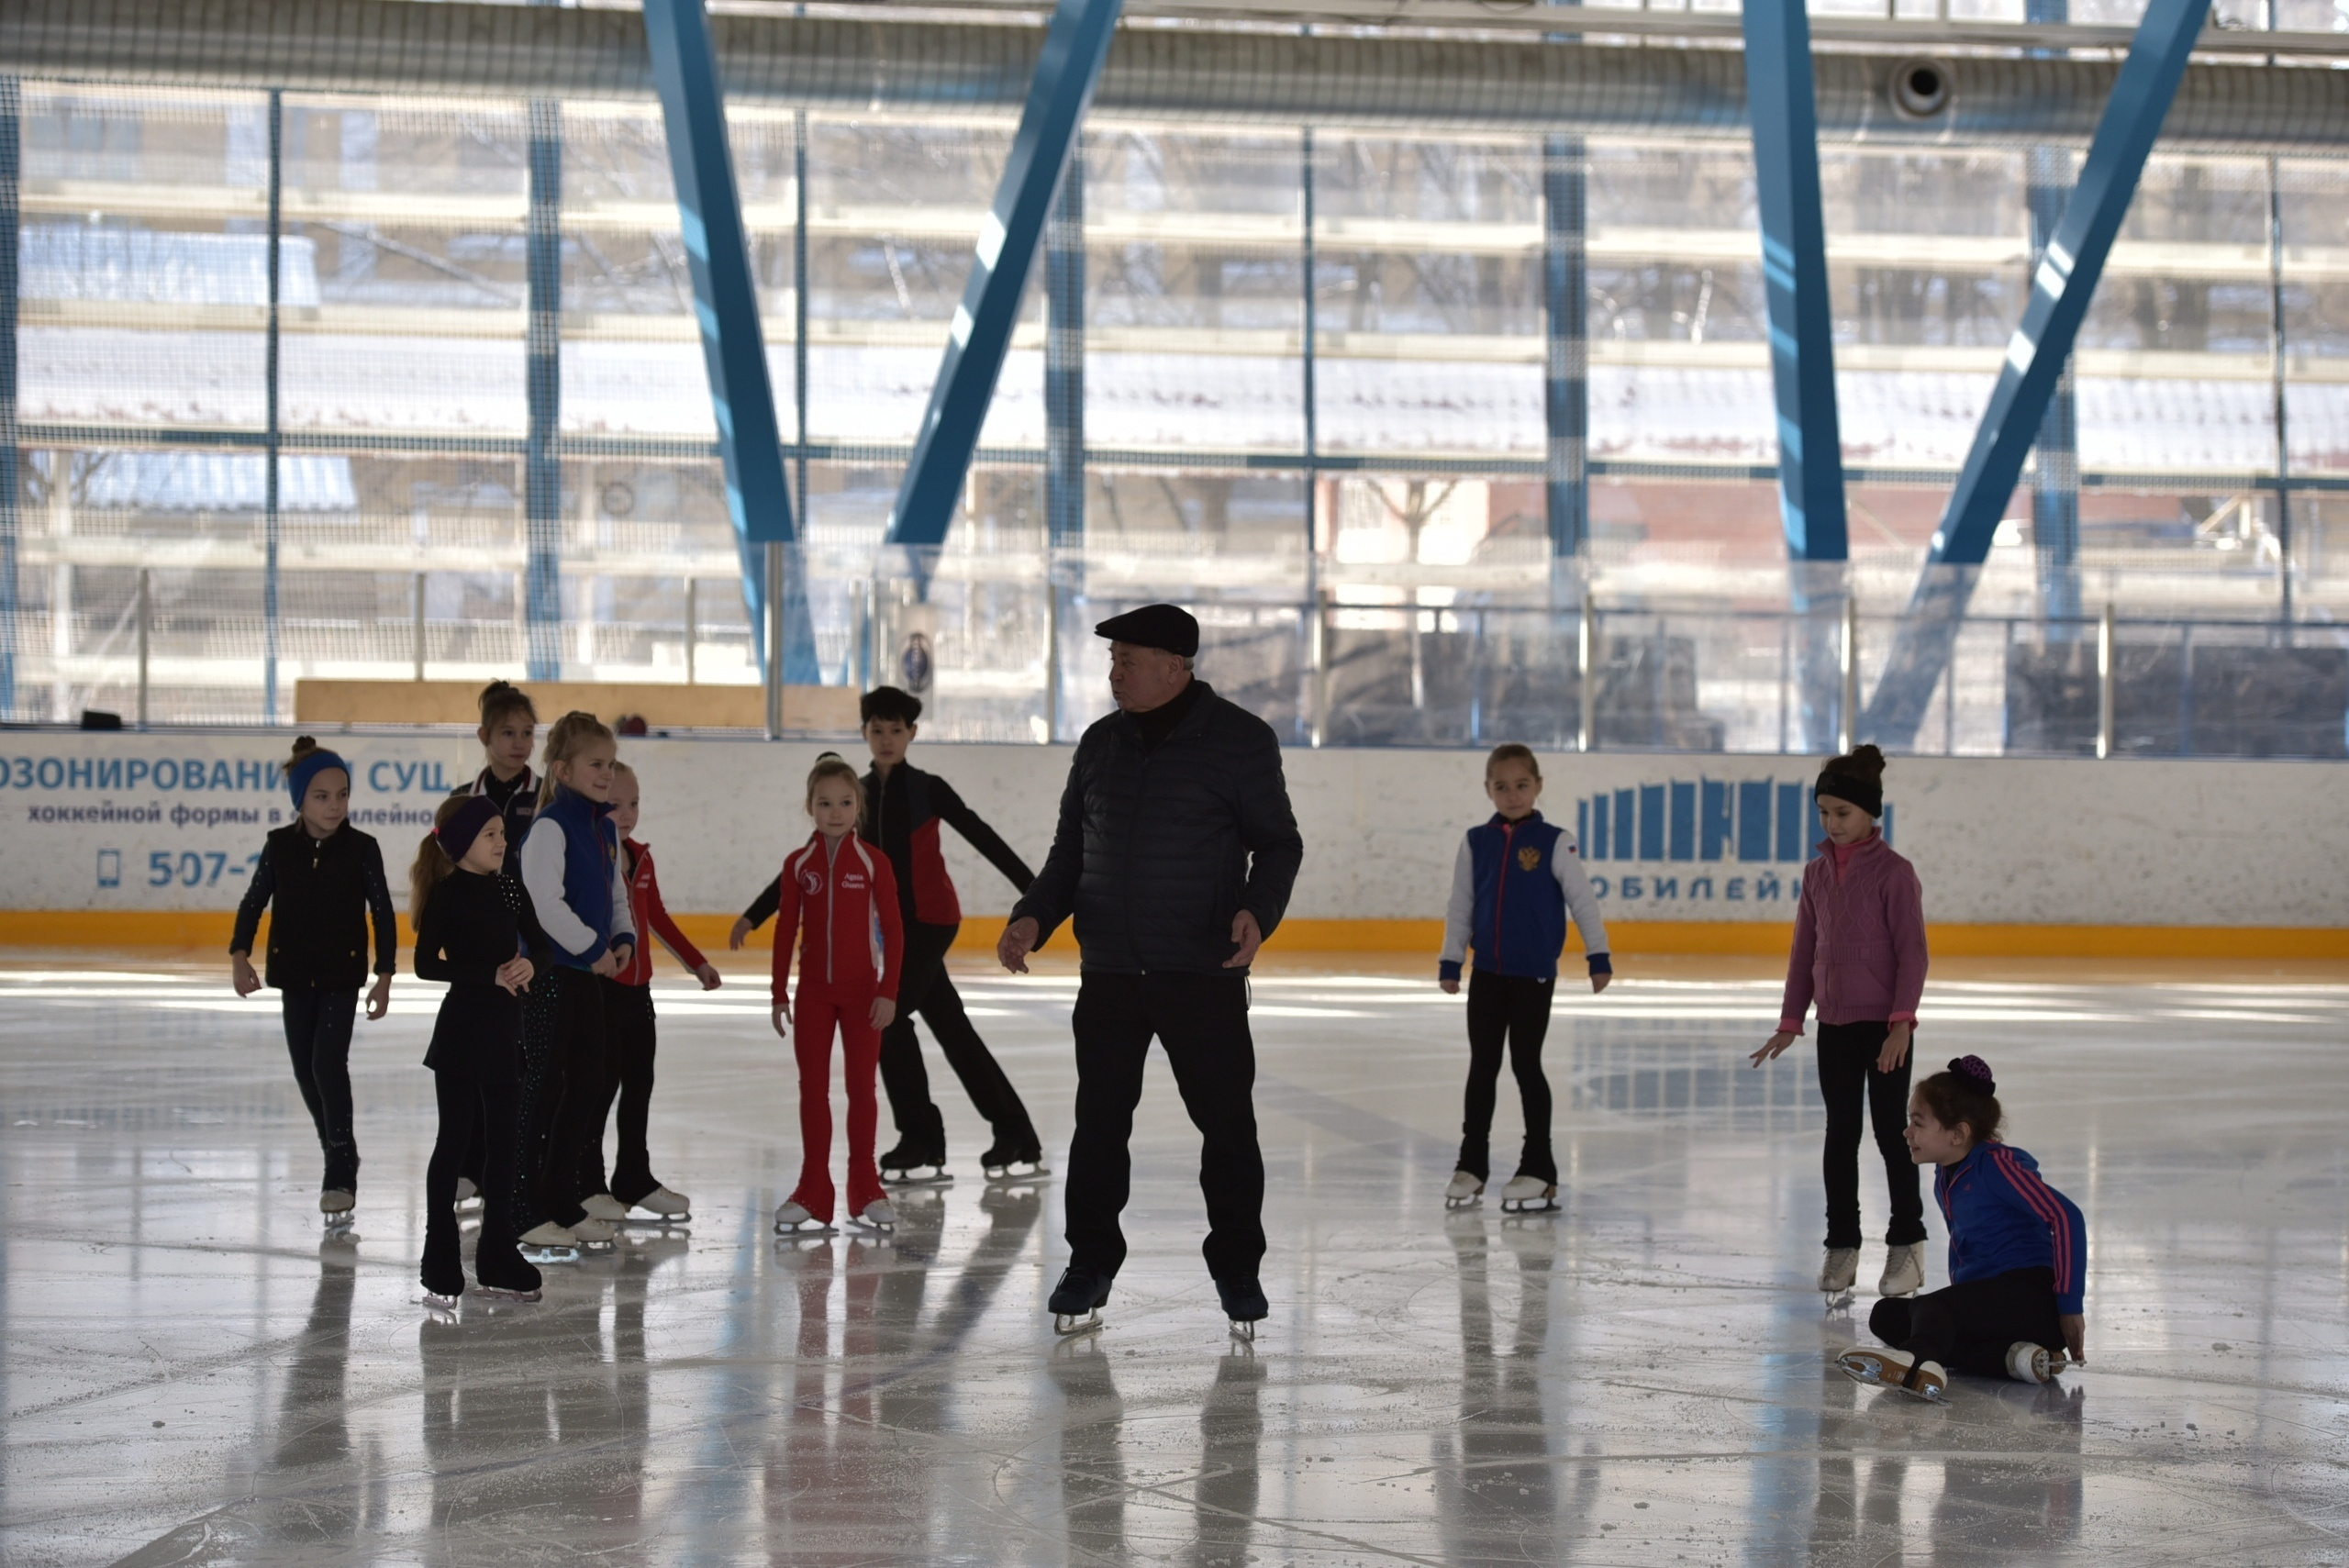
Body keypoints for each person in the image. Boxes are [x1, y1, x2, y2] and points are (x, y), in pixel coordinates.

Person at [998, 603, 1304, 1338]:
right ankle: (1089, 1262)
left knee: (1227, 1127)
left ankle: (1238, 1268)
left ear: (1175, 665)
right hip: (1109, 972)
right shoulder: (1099, 744)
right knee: (1099, 1126)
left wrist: (1257, 913)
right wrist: (1033, 915)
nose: (1114, 673)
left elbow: (1280, 845)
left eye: (1126, 660)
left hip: (1202, 970)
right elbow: (1070, 853)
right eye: (1113, 661)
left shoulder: (1239, 741)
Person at [732, 685, 1043, 1183]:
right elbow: (815, 857)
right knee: (951, 1028)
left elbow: (982, 835)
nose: (885, 738)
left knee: (887, 1015)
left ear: (912, 734)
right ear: (864, 734)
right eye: (876, 730)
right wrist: (756, 913)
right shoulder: (853, 793)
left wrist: (1036, 896)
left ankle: (921, 1137)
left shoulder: (928, 788)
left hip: (932, 922)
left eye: (896, 730)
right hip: (891, 932)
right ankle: (1015, 1133)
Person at [1750, 744, 1930, 1305]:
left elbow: (1913, 954)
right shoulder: (1816, 873)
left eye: (1843, 813)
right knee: (1840, 1135)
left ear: (1871, 813)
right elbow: (1804, 949)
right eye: (1824, 812)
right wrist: (1790, 1019)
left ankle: (1908, 1241)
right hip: (1834, 1025)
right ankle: (1842, 1243)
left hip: (1884, 1028)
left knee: (1889, 1134)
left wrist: (1901, 1023)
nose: (1832, 823)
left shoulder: (1895, 874)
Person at [1836, 1056, 2086, 1401]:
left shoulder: (1998, 1166)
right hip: (1995, 1304)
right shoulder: (1947, 1173)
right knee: (1886, 1316)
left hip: (2034, 1299)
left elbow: (2066, 1217)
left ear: (1958, 1134)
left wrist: (2070, 1307)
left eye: (1918, 1123)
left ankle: (1917, 1363)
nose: (1908, 1131)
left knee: (1934, 1311)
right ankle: (2016, 1359)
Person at [1436, 743, 1612, 1215]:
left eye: (1521, 785)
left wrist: (1598, 955)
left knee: (1526, 1066)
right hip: (1488, 975)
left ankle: (1539, 1168)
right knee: (1483, 1067)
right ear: (1488, 790)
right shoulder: (1476, 841)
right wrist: (1451, 960)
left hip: (1533, 976)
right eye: (1501, 786)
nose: (1512, 795)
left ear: (1538, 786)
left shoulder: (1555, 840)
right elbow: (1461, 905)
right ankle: (1471, 1162)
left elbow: (1582, 901)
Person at [230, 737, 396, 1223]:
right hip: (293, 973)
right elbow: (254, 901)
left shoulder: (363, 848)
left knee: (327, 1063)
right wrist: (239, 954)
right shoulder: (280, 846)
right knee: (305, 1070)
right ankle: (337, 1149)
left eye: (342, 794)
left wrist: (384, 975)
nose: (334, 805)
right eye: (322, 796)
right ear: (299, 800)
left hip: (343, 974)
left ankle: (340, 1167)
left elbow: (383, 915)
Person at [410, 795, 546, 1306]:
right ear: (461, 843)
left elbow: (543, 945)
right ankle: (440, 1259)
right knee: (454, 1144)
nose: (501, 842)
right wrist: (487, 974)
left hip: (506, 1036)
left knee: (505, 1149)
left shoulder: (511, 888)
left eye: (501, 833)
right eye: (489, 834)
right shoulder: (447, 894)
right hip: (462, 1036)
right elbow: (426, 964)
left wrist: (533, 966)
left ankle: (496, 1255)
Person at [514, 711, 636, 1257]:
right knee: (541, 1092)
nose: (606, 773)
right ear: (563, 770)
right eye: (595, 764)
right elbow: (544, 902)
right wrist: (593, 948)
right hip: (551, 976)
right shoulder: (550, 826)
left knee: (590, 1084)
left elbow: (615, 896)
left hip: (587, 975)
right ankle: (521, 1203)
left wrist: (623, 937)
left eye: (610, 763)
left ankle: (562, 1198)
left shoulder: (604, 827)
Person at [768, 753, 905, 1237]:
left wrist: (888, 990)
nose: (835, 811)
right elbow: (786, 929)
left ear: (858, 805)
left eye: (845, 802)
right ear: (810, 806)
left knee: (861, 1090)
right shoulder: (798, 865)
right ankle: (812, 1190)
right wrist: (777, 991)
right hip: (813, 996)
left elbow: (893, 927)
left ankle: (865, 1187)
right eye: (825, 803)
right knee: (813, 1090)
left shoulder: (874, 862)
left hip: (863, 994)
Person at [581, 760, 719, 1228]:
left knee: (639, 1087)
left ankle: (633, 1178)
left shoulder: (640, 856)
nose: (626, 812)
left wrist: (696, 962)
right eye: (615, 803)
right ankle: (588, 1182)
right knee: (599, 1091)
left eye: (634, 803)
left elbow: (656, 917)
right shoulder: (589, 856)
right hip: (602, 992)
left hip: (639, 994)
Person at [448, 679, 539, 1213]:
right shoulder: (464, 802)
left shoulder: (547, 795)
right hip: (482, 954)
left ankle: (513, 1165)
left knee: (519, 1063)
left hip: (530, 948)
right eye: (508, 732)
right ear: (484, 734)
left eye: (528, 733)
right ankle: (469, 1166)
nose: (519, 742)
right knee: (477, 1056)